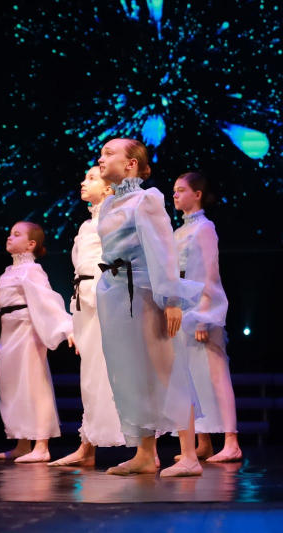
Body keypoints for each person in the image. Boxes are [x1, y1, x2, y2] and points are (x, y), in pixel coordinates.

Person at [96, 138, 205, 477]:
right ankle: (145, 453)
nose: (101, 159)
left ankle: (189, 456)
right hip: (116, 295)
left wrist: (171, 300)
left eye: (109, 153)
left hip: (144, 294)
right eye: (101, 153)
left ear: (131, 164)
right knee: (132, 374)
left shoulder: (147, 199)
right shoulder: (109, 204)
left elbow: (163, 251)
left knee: (166, 369)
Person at [48, 167, 126, 467]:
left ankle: (147, 449)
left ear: (108, 189)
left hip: (106, 300)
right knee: (91, 376)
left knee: (118, 372)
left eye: (92, 178)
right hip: (85, 303)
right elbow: (79, 269)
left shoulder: (114, 218)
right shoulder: (85, 226)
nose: (83, 182)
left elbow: (119, 262)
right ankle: (87, 447)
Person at [171, 172, 242, 463]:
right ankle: (203, 442)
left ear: (197, 194)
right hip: (183, 307)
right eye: (174, 191)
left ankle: (232, 442)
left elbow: (210, 274)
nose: (175, 195)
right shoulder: (179, 232)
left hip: (203, 308)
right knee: (192, 376)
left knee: (215, 374)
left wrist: (204, 316)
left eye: (181, 190)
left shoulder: (205, 228)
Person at [0, 221, 74, 463]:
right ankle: (22, 442)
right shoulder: (9, 271)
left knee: (34, 386)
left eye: (16, 234)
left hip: (27, 333)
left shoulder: (32, 270)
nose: (10, 237)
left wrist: (67, 328)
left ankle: (41, 445)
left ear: (31, 244)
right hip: (7, 334)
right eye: (10, 233)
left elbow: (49, 301)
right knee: (13, 389)